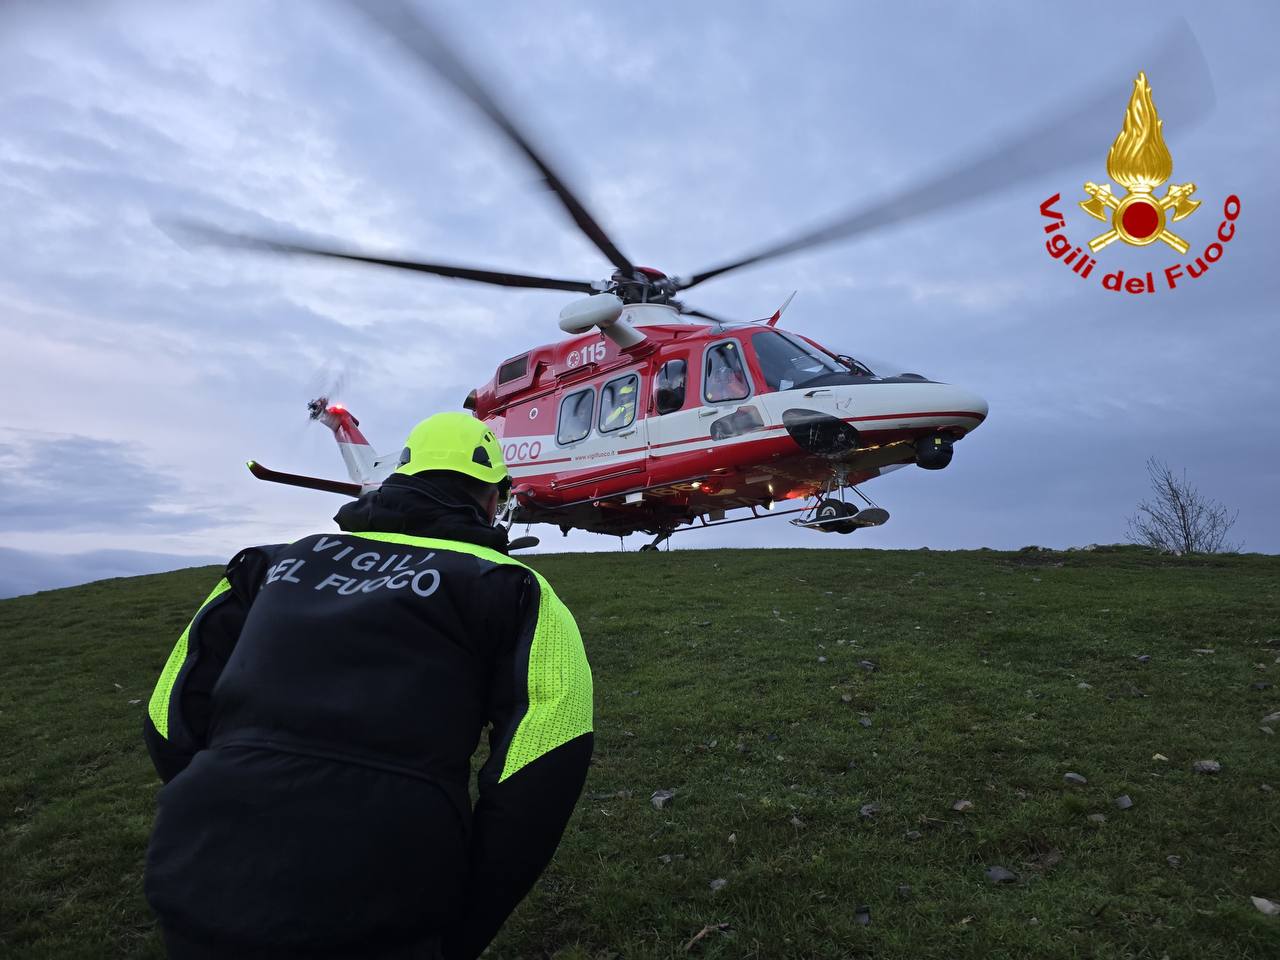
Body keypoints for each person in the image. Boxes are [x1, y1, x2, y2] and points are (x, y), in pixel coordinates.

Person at [142, 412, 594, 960]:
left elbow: (168, 711)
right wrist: (470, 919)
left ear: (399, 480)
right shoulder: (516, 590)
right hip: (388, 893)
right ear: (493, 498)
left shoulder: (266, 564)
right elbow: (547, 757)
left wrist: (225, 801)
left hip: (202, 872)